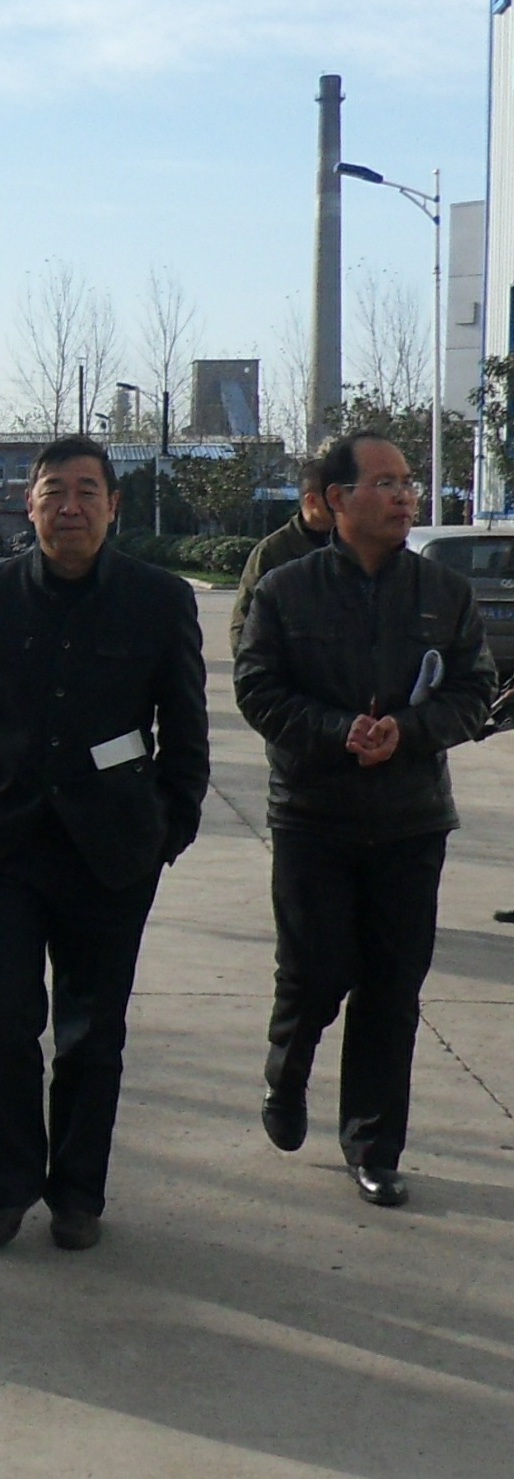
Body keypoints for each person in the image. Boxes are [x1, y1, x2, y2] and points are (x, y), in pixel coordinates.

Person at [0, 434, 208, 1254]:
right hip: (4, 847)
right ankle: (10, 1185)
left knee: (93, 1033)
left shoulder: (158, 600)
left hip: (112, 851)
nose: (71, 507)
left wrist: (169, 825)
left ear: (113, 505)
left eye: (88, 491)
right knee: (3, 1018)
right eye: (55, 491)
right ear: (31, 504)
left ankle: (79, 1192)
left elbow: (185, 728)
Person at [234, 432, 495, 1208]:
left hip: (410, 820)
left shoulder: (443, 592)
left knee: (392, 986)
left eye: (407, 482)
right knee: (315, 972)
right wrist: (334, 730)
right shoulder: (286, 590)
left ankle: (373, 1144)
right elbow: (258, 688)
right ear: (338, 499)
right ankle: (287, 1071)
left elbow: (475, 691)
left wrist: (407, 733)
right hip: (314, 815)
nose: (404, 495)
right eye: (384, 482)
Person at [228, 455, 335, 653]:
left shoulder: (357, 546)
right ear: (312, 500)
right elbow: (244, 628)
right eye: (335, 495)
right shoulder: (272, 552)